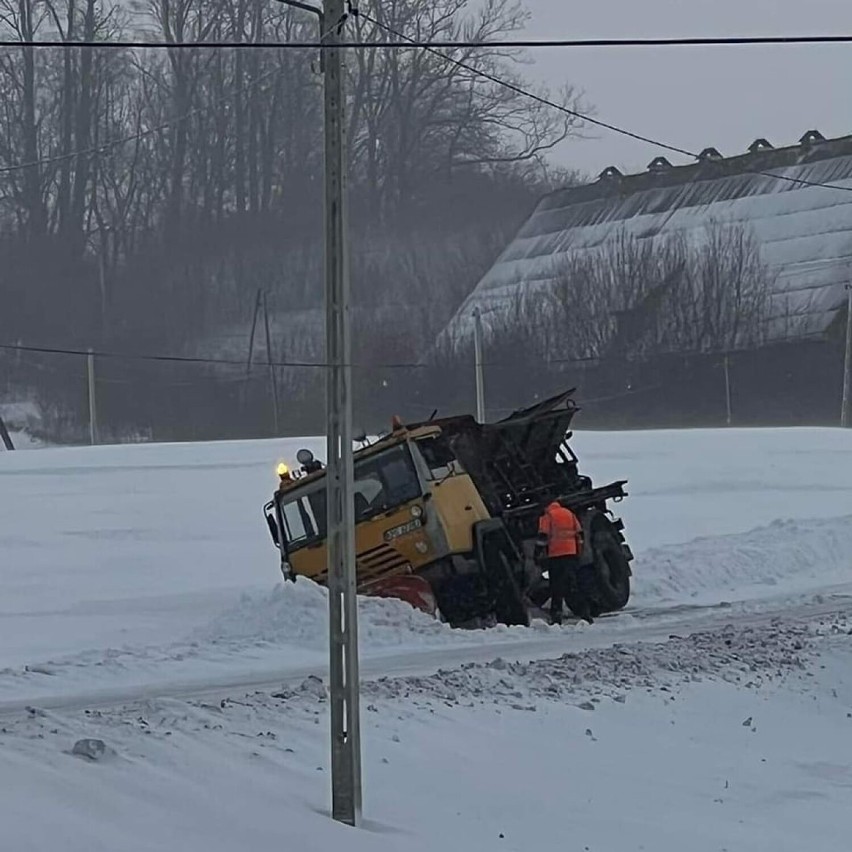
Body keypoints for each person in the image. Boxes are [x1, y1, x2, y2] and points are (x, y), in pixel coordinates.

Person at [536, 500, 591, 625]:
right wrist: (578, 552)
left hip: (556, 556)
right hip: (571, 555)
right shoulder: (568, 513)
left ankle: (556, 617)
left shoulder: (548, 516)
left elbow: (543, 537)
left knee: (557, 587)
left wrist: (537, 553)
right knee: (572, 585)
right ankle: (585, 614)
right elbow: (579, 534)